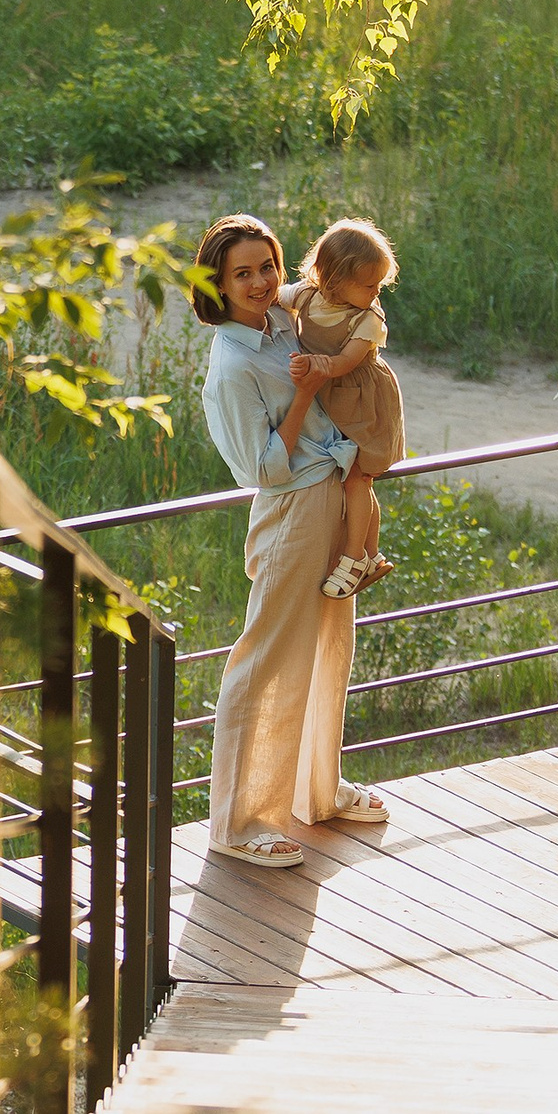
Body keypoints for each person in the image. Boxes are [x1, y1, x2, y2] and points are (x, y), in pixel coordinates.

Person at [193, 213, 388, 869]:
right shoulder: (229, 364)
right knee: (265, 658)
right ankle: (240, 820)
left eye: (266, 266)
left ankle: (317, 791)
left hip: (334, 492)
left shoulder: (279, 321)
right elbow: (261, 470)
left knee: (333, 643)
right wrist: (305, 395)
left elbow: (345, 313)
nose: (258, 281)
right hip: (293, 506)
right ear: (216, 282)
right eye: (241, 272)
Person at [283, 219, 406, 600]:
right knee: (347, 475)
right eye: (369, 285)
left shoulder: (368, 318)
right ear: (332, 279)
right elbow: (274, 295)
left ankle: (353, 558)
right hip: (329, 399)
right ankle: (369, 555)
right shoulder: (306, 295)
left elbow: (345, 362)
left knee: (358, 476)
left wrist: (317, 365)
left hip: (364, 401)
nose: (375, 293)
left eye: (379, 286)